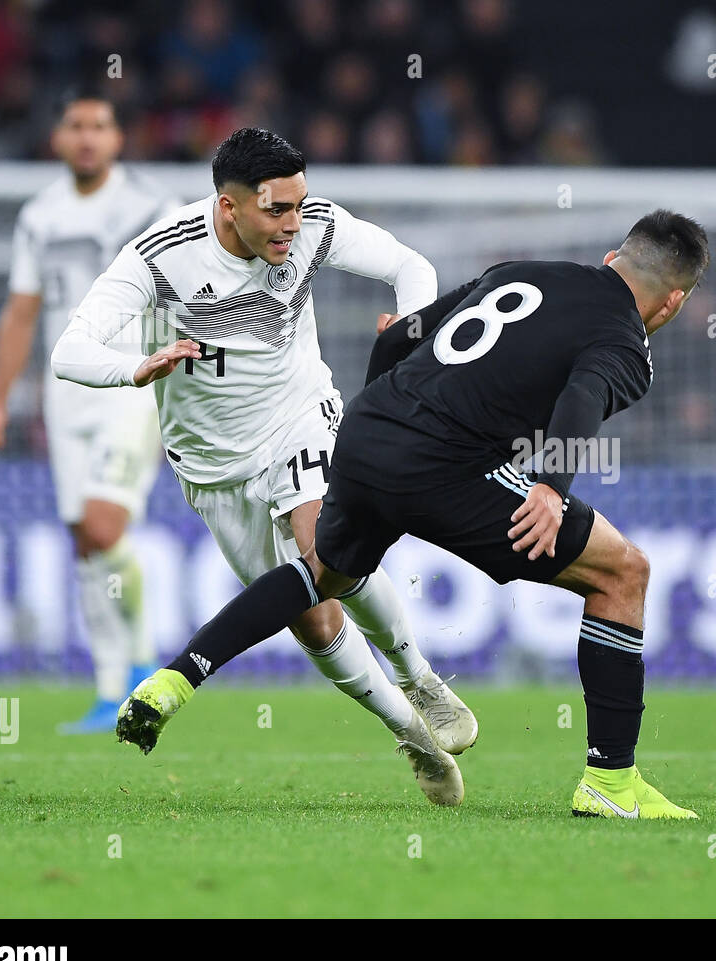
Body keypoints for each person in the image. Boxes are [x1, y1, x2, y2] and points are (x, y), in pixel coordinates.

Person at [115, 210, 709, 819]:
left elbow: (399, 336)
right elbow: (582, 398)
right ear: (671, 304)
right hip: (447, 465)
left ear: (613, 258)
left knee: (324, 573)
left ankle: (174, 679)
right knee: (623, 573)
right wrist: (551, 489)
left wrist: (386, 430)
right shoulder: (625, 341)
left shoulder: (521, 271)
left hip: (370, 427)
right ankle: (610, 781)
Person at [50, 127, 476, 802]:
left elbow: (410, 265)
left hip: (299, 415)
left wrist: (413, 328)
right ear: (229, 207)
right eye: (277, 210)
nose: (292, 224)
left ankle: (417, 673)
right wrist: (137, 367)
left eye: (299, 205)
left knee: (325, 550)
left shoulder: (312, 229)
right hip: (214, 467)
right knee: (311, 614)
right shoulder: (161, 257)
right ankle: (410, 733)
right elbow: (70, 350)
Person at [0, 93, 180, 733]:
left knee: (102, 525)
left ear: (119, 140)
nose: (88, 138)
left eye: (100, 126)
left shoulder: (155, 209)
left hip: (133, 383)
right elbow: (21, 312)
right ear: (59, 140)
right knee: (83, 542)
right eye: (76, 126)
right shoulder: (40, 216)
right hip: (66, 393)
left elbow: (187, 295)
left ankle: (143, 664)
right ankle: (107, 688)